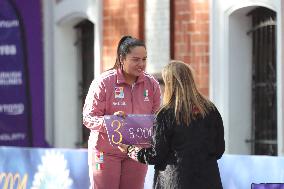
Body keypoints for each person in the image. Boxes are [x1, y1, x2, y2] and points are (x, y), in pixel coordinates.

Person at [118, 60, 225, 189]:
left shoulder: (166, 114)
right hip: (209, 181)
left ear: (169, 84)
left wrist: (131, 150)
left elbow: (156, 155)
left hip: (175, 182)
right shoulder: (210, 110)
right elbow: (219, 150)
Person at [82, 35, 161, 189]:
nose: (141, 64)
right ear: (122, 59)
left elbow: (157, 118)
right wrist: (111, 122)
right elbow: (88, 117)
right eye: (136, 59)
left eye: (144, 59)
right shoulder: (104, 82)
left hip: (137, 152)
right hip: (105, 152)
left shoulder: (152, 85)